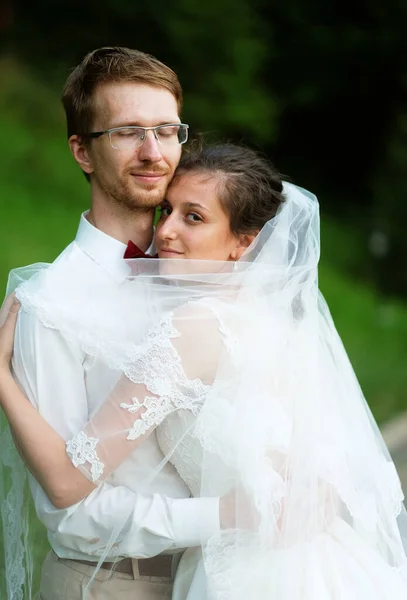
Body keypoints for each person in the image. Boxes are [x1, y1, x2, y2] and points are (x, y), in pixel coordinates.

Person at [1, 143, 407, 600]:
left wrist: (3, 380)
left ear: (243, 242)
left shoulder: (194, 327)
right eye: (167, 210)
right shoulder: (282, 323)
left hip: (246, 572)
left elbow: (68, 480)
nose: (166, 232)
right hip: (323, 562)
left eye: (193, 217)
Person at [0, 45, 224, 600]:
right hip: (112, 586)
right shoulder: (51, 305)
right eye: (127, 132)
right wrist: (226, 518)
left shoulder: (211, 272)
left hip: (222, 580)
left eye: (167, 131)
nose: (154, 152)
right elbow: (70, 515)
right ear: (82, 151)